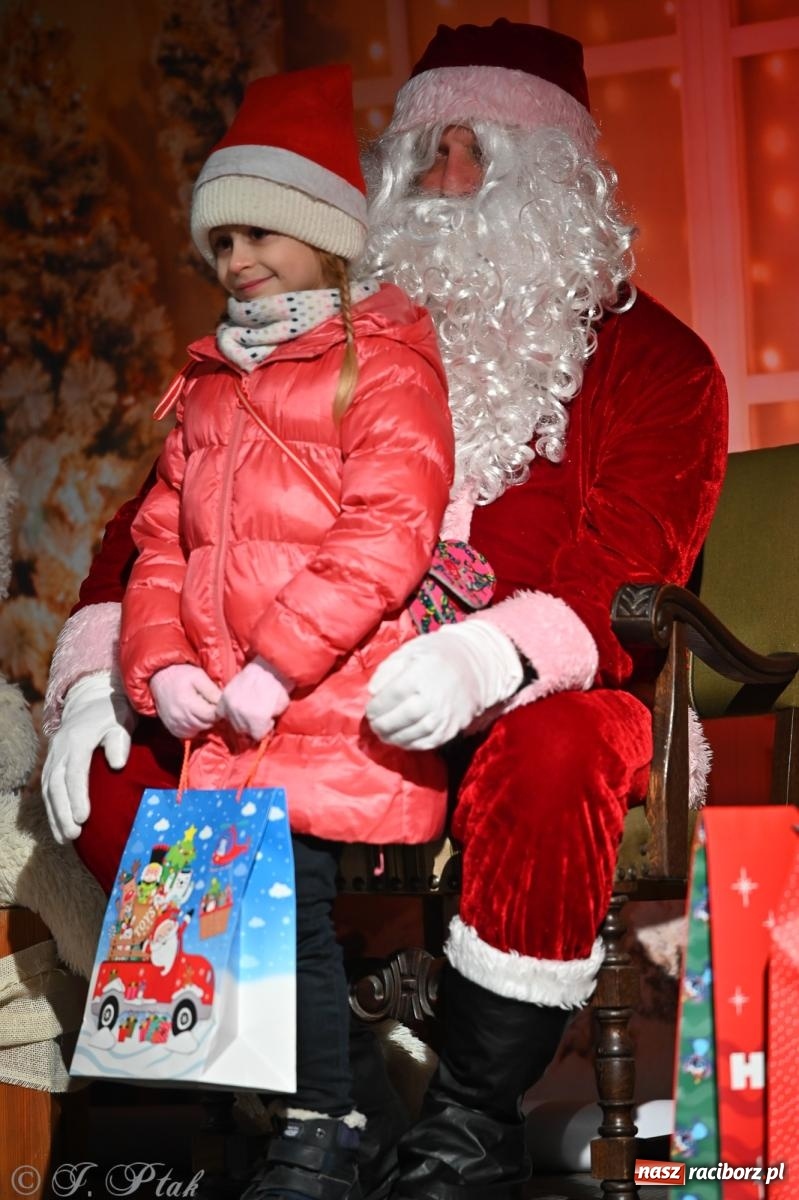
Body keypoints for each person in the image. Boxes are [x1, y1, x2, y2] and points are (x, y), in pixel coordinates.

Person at [41, 20, 728, 1200]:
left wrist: (488, 657)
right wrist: (104, 665)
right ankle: (339, 1086)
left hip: (544, 691)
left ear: (558, 178)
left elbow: (630, 558)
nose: (444, 183)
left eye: (480, 153)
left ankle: (465, 1123)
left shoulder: (655, 362)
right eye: (422, 154)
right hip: (312, 691)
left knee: (555, 750)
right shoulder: (318, 344)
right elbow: (165, 514)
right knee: (123, 776)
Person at [65, 62, 455, 1200]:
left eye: (261, 235)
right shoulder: (209, 387)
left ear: (325, 235)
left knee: (288, 913)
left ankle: (323, 1123)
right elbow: (161, 545)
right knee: (241, 926)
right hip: (225, 723)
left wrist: (277, 665)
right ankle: (354, 1111)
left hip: (331, 708)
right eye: (220, 241)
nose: (236, 262)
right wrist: (162, 663)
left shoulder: (380, 366)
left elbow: (388, 532)